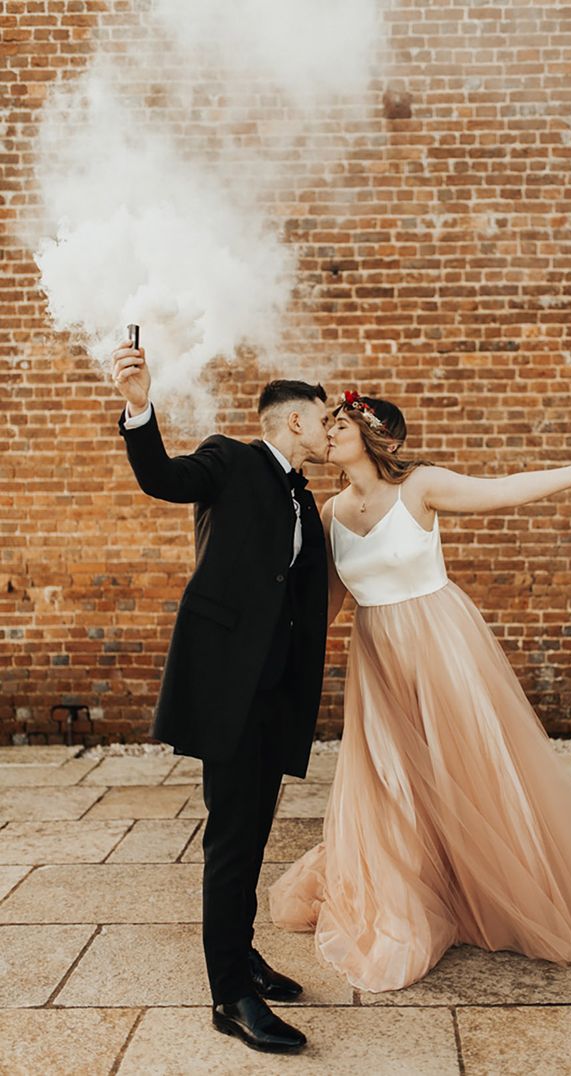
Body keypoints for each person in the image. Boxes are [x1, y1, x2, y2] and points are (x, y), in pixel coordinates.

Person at [269, 389, 571, 993]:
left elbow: (505, 489)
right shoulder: (328, 513)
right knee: (389, 779)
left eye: (339, 421)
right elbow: (327, 607)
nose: (329, 429)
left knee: (464, 769)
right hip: (376, 656)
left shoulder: (420, 486)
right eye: (330, 422)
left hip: (440, 643)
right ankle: (406, 896)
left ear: (379, 438)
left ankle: (491, 890)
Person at [112, 337, 330, 1053]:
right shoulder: (231, 460)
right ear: (294, 421)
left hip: (273, 694)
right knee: (232, 842)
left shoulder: (303, 496)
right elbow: (162, 478)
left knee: (253, 830)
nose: (332, 431)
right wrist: (140, 405)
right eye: (325, 420)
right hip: (229, 692)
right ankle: (229, 996)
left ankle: (242, 954)